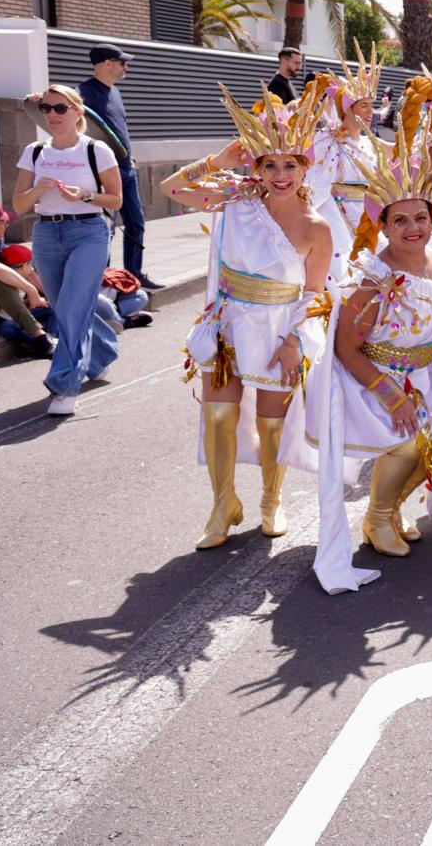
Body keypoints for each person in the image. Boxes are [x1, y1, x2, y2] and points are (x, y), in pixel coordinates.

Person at [161, 81, 333, 548]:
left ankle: (270, 500)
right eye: (270, 164)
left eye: (290, 165)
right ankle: (222, 505)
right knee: (218, 416)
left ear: (304, 169)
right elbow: (171, 188)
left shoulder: (317, 227)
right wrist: (217, 163)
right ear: (255, 165)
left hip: (278, 329)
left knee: (270, 421)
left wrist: (297, 341)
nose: (281, 174)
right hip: (230, 324)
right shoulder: (236, 200)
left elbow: (316, 293)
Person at [302, 126, 432, 589]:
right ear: (384, 226)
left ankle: (390, 509)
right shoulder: (374, 277)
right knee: (409, 439)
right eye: (400, 221)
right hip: (374, 375)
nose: (413, 228)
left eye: (420, 218)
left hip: (423, 372)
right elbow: (346, 347)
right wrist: (389, 392)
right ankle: (377, 517)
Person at [12, 85, 125, 416]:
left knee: (74, 308)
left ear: (78, 112)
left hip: (88, 232)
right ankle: (102, 353)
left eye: (61, 108)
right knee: (67, 307)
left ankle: (63, 386)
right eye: (47, 108)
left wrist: (85, 196)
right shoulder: (34, 152)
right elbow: (18, 205)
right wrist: (37, 188)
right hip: (46, 234)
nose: (52, 115)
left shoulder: (96, 150)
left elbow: (116, 199)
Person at [77, 43, 160, 291]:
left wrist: (129, 156)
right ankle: (106, 280)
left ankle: (133, 276)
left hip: (126, 169)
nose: (127, 67)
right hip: (103, 172)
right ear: (107, 64)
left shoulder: (114, 92)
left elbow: (117, 129)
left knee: (136, 223)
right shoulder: (82, 93)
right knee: (107, 229)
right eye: (123, 62)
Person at [308, 51, 385, 272]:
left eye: (372, 105)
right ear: (347, 109)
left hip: (368, 220)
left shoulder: (368, 143)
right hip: (338, 222)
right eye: (364, 106)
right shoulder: (327, 142)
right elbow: (317, 188)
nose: (371, 112)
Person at [0, 203, 53, 358]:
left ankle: (50, 339)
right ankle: (39, 336)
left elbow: (15, 268)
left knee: (56, 307)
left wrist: (42, 295)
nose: (7, 226)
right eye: (4, 223)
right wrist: (31, 290)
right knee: (1, 282)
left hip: (4, 312)